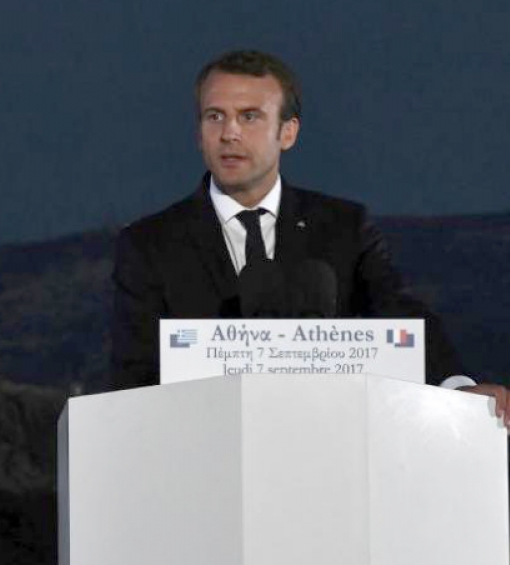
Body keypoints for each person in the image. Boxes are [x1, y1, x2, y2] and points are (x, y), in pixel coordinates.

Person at [109, 49, 510, 425]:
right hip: (203, 443)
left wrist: (458, 388)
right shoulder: (150, 244)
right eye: (215, 116)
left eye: (249, 117)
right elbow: (134, 374)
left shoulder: (343, 227)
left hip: (328, 436)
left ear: (288, 132)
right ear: (199, 132)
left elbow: (399, 317)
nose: (229, 133)